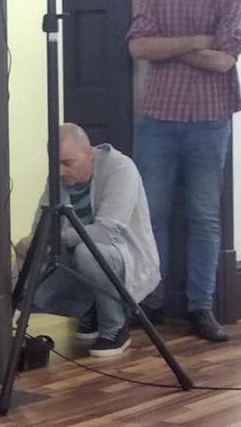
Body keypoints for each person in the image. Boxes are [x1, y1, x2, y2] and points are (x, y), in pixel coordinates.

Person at [126, 0, 241, 342]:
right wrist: (196, 40)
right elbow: (139, 47)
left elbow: (223, 61)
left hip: (209, 121)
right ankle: (151, 302)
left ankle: (200, 308)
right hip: (158, 117)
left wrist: (171, 47)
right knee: (150, 213)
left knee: (204, 217)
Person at [16, 124, 161, 357]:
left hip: (123, 258)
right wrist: (31, 245)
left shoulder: (121, 169)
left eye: (67, 163)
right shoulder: (57, 177)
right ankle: (90, 308)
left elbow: (106, 232)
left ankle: (114, 328)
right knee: (22, 279)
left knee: (88, 252)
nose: (60, 171)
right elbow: (40, 227)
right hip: (73, 257)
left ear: (89, 153)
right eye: (55, 163)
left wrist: (53, 239)